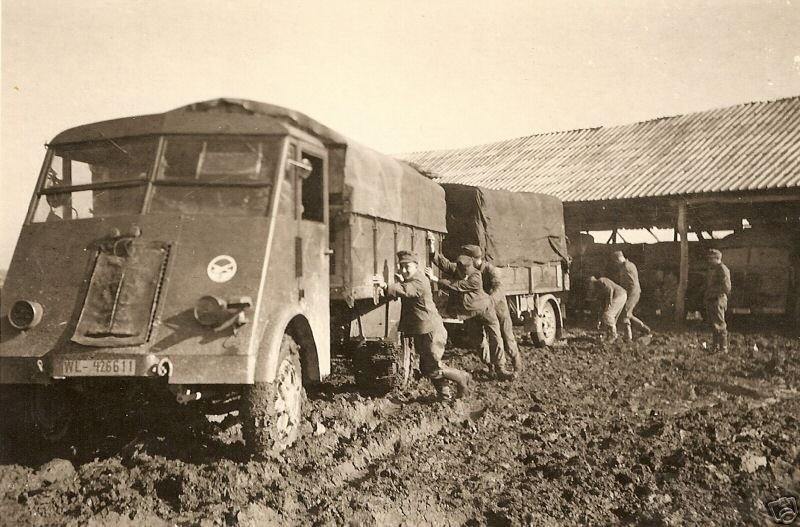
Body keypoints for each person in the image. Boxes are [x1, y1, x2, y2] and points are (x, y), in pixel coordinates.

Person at [379, 250, 471, 399]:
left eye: (407, 266)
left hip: (432, 330)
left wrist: (386, 286)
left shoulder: (419, 280)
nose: (403, 270)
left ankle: (461, 377)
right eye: (401, 266)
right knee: (426, 367)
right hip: (423, 330)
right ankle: (445, 394)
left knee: (434, 366)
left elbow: (407, 291)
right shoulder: (411, 279)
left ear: (416, 266)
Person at [429, 238, 524, 372]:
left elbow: (499, 288)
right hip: (477, 308)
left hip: (496, 306)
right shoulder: (465, 269)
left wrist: (489, 301)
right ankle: (491, 366)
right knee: (478, 340)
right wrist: (433, 251)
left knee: (506, 336)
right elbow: (447, 265)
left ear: (473, 259)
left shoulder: (490, 270)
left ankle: (516, 363)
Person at [612, 250, 652, 341]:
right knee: (628, 314)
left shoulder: (625, 267)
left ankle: (628, 337)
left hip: (631, 293)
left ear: (618, 260)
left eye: (616, 262)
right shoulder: (631, 264)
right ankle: (645, 329)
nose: (616, 264)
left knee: (625, 314)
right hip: (634, 292)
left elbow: (630, 284)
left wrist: (623, 294)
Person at [703, 249, 731, 353]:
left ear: (717, 258)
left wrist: (714, 292)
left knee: (720, 324)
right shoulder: (713, 269)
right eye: (709, 258)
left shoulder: (723, 269)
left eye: (711, 258)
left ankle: (723, 348)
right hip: (711, 299)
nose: (709, 260)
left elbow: (727, 287)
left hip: (718, 299)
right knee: (714, 324)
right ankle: (715, 346)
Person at [589, 276, 627, 341]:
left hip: (619, 294)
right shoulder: (599, 291)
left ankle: (613, 335)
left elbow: (610, 289)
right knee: (609, 317)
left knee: (608, 315)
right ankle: (609, 335)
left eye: (589, 285)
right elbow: (602, 307)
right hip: (621, 295)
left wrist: (609, 304)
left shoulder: (600, 281)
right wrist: (599, 320)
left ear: (592, 282)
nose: (590, 287)